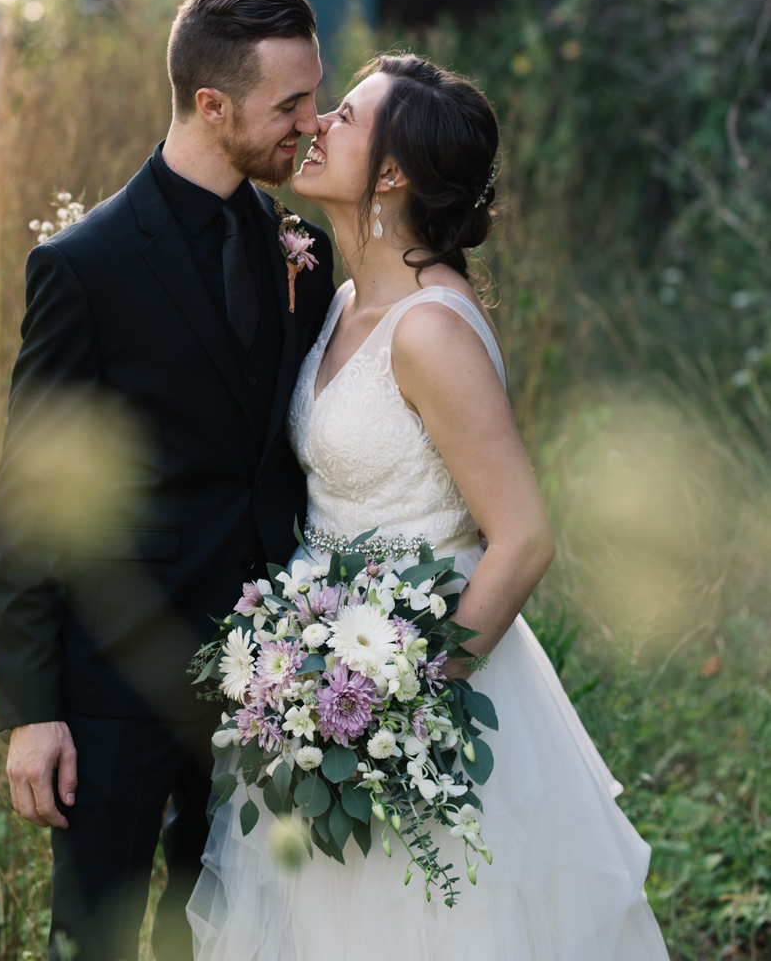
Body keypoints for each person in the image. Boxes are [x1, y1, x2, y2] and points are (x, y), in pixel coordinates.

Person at [188, 53, 670, 961]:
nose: (318, 123)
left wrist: (404, 707)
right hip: (328, 677)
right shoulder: (342, 304)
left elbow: (523, 537)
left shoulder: (432, 330)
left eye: (347, 115)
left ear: (395, 170)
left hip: (419, 685)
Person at [0, 0, 336, 961]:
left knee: (216, 937)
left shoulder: (302, 249)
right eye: (290, 104)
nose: (310, 124)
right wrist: (34, 709)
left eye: (316, 97)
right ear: (212, 104)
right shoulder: (84, 266)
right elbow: (31, 499)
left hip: (265, 681)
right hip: (113, 684)